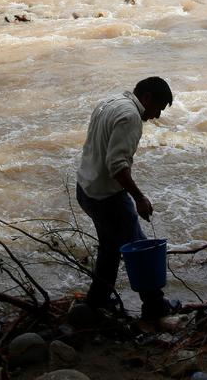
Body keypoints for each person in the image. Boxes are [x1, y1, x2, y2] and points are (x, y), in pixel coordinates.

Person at [76, 76, 180, 320]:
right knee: (140, 248)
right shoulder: (132, 117)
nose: (156, 116)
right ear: (147, 98)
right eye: (158, 108)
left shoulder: (110, 102)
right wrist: (139, 198)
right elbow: (117, 166)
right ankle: (155, 306)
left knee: (110, 247)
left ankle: (97, 300)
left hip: (86, 188)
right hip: (107, 196)